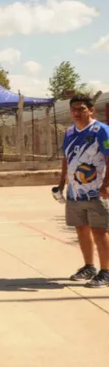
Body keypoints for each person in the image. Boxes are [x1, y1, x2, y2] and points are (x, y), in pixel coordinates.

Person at [57, 94, 109, 287]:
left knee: (99, 230)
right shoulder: (69, 132)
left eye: (81, 109)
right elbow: (66, 159)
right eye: (74, 109)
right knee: (81, 229)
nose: (77, 113)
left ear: (91, 110)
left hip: (96, 191)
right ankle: (89, 266)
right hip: (75, 192)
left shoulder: (101, 131)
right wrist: (62, 184)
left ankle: (106, 271)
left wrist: (106, 185)